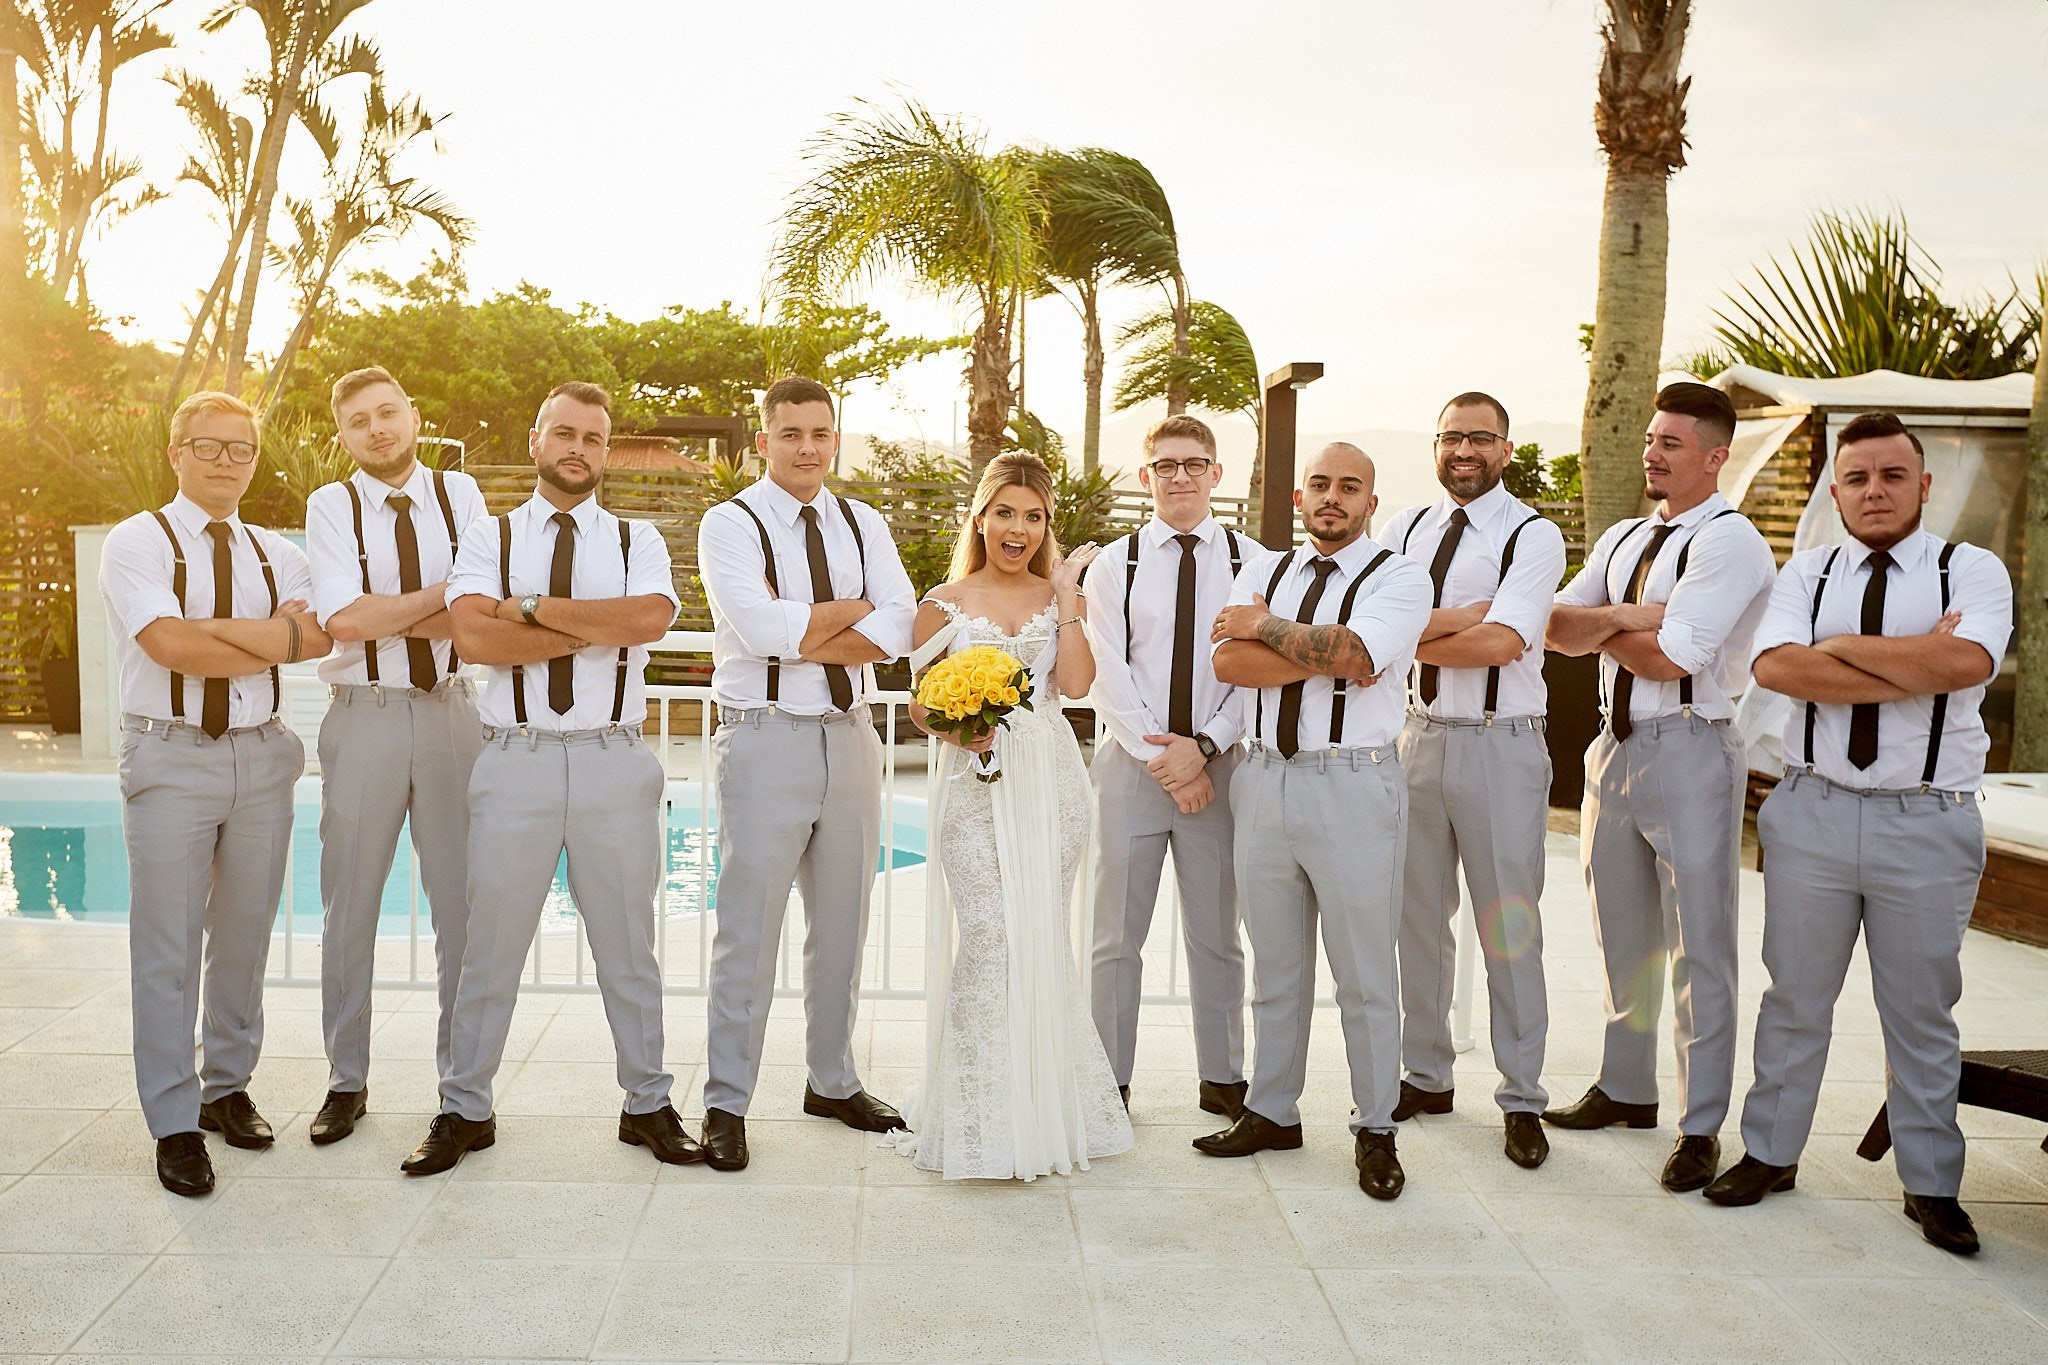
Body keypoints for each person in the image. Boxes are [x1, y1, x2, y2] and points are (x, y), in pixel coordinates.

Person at [1704, 412, 2010, 1256]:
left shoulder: (1969, 569)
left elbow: (1966, 663)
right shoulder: (1806, 570)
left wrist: (1838, 652)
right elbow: (1777, 667)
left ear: (1923, 484)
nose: (1875, 491)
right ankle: (1770, 1153)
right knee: (1795, 997)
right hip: (1814, 810)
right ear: (1835, 491)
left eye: (1892, 475)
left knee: (1919, 1010)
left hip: (1927, 817)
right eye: (1858, 478)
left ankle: (1931, 1183)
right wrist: (1909, 657)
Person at [401, 380, 697, 1174]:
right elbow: (473, 639)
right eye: (564, 432)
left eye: (592, 438)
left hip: (613, 759)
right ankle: (465, 1107)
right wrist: (591, 625)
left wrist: (526, 606)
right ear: (537, 440)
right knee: (489, 944)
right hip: (515, 759)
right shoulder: (488, 536)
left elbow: (647, 620)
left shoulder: (636, 539)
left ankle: (648, 1102)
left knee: (628, 945)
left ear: (605, 452)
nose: (577, 448)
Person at [1542, 381, 1775, 1193]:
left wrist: (1608, 621)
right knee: (1621, 933)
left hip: (1691, 747)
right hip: (1612, 748)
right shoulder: (1624, 535)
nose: (1652, 453)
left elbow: (1676, 657)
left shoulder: (1730, 542)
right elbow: (1553, 625)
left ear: (1715, 457)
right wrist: (1637, 615)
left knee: (1699, 948)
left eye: (1670, 443)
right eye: (1650, 438)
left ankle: (1699, 1124)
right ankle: (1625, 1087)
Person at [98, 390, 331, 1196]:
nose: (226, 460)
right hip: (169, 756)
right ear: (176, 452)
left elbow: (317, 635)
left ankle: (225, 1088)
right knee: (166, 944)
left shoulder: (278, 551)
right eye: (209, 445)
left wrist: (221, 637)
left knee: (243, 936)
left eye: (241, 448)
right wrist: (271, 636)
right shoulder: (139, 540)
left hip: (263, 757)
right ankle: (173, 1122)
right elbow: (169, 646)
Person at [1196, 442, 1430, 1200]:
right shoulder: (1266, 571)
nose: (1333, 497)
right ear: (1299, 497)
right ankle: (1272, 1110)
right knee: (1277, 966)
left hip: (1352, 784)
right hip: (1264, 778)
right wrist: (1315, 649)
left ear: (1371, 502)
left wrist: (1266, 628)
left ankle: (1377, 1127)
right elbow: (1228, 664)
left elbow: (1359, 655)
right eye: (1320, 484)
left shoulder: (1398, 575)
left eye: (1350, 487)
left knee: (1364, 971)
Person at [697, 377, 918, 1171]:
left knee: (843, 924)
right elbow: (759, 630)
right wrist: (854, 612)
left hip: (851, 736)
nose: (807, 447)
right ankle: (726, 1101)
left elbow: (902, 623)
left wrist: (805, 628)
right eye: (790, 433)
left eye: (820, 433)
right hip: (766, 738)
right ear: (764, 441)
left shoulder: (864, 521)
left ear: (835, 439)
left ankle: (832, 1080)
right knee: (748, 931)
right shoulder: (730, 523)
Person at [896, 451, 1133, 1180]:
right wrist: (958, 728)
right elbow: (919, 704)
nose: (1018, 529)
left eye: (1033, 517)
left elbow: (1076, 684)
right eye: (1005, 512)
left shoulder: (1060, 600)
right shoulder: (942, 603)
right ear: (980, 517)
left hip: (1051, 783)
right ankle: (980, 1121)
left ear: (1045, 526)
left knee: (1038, 937)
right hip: (973, 787)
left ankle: (1043, 1110)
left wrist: (1066, 596)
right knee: (990, 936)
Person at [1383, 392, 1566, 1170]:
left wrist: (1409, 633)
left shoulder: (1533, 534)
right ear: (1435, 445)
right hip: (1417, 739)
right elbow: (1368, 624)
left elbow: (1502, 644)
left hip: (1501, 744)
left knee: (1508, 927)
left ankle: (1522, 1098)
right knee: (1417, 921)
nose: (1464, 450)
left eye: (1480, 437)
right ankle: (1425, 1076)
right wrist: (1465, 617)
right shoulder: (1405, 529)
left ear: (1506, 449)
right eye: (1452, 436)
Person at [304, 366, 487, 1144]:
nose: (377, 429)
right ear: (343, 435)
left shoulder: (461, 494)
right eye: (359, 421)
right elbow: (344, 621)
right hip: (365, 718)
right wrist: (441, 598)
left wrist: (392, 612)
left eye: (387, 412)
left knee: (463, 912)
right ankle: (345, 1082)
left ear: (413, 415)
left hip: (452, 715)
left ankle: (463, 1092)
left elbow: (481, 608)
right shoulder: (331, 505)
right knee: (349, 906)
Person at [1083, 414, 1248, 1119]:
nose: (1181, 476)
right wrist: (1167, 756)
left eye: (1195, 463)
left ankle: (1223, 1078)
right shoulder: (1113, 565)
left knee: (1217, 934)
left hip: (1221, 769)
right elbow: (1105, 669)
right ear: (1145, 475)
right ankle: (1107, 1084)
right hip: (1133, 767)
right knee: (1115, 936)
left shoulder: (1254, 562)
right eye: (1166, 465)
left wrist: (1203, 747)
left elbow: (1256, 674)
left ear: (1216, 473)